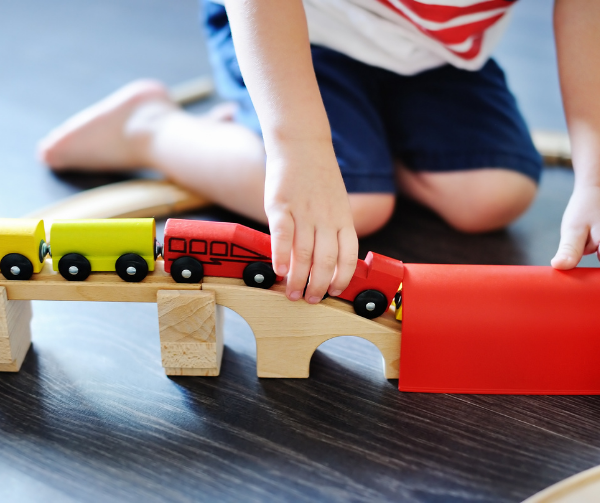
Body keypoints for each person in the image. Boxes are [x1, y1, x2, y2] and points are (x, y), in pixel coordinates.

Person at [37, 0, 600, 305]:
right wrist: (297, 146)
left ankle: (354, 137)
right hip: (300, 30)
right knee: (357, 202)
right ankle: (149, 126)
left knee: (496, 193)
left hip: (433, 54)